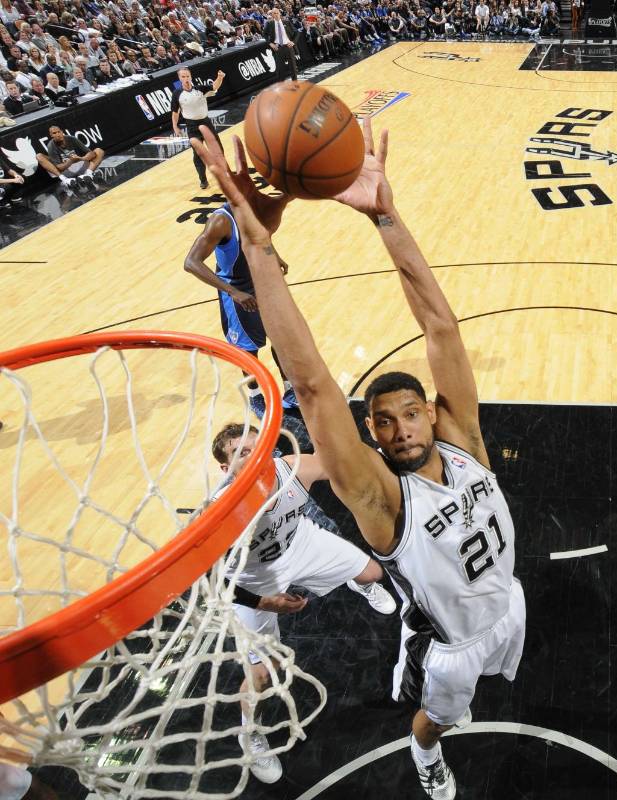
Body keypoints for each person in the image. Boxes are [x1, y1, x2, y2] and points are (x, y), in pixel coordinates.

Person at [193, 118, 525, 800]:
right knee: (439, 718)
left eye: (411, 412)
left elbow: (440, 325)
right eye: (382, 422)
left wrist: (386, 217)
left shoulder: (465, 445)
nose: (400, 427)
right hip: (449, 645)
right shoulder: (384, 502)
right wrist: (256, 244)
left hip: (508, 606)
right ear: (371, 438)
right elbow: (312, 385)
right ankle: (425, 755)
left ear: (432, 414)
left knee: (480, 651)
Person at [210, 423, 397, 784]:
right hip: (250, 581)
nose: (253, 456)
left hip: (301, 543)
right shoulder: (219, 515)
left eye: (256, 446)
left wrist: (384, 454)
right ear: (225, 470)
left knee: (372, 573)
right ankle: (250, 734)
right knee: (263, 673)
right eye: (241, 453)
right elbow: (213, 581)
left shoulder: (292, 468)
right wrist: (262, 601)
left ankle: (352, 582)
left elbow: (344, 463)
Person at [183, 195, 301, 421]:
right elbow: (191, 262)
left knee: (281, 339)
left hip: (264, 285)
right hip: (238, 292)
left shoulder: (255, 210)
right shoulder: (221, 221)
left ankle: (290, 388)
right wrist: (232, 292)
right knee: (248, 350)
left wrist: (275, 255)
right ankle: (255, 395)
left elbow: (260, 236)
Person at [36, 125, 104, 190]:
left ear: (62, 132)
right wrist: (71, 161)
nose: (58, 134)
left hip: (81, 164)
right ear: (51, 135)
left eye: (59, 132)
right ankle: (64, 180)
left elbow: (92, 153)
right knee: (39, 156)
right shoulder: (51, 146)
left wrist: (82, 158)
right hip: (67, 170)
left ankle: (88, 174)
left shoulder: (71, 138)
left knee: (99, 151)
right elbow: (59, 167)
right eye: (54, 133)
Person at [263, 8, 299, 81]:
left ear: (279, 13)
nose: (275, 14)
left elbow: (297, 32)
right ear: (272, 15)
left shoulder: (287, 22)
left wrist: (293, 42)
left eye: (277, 13)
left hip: (288, 46)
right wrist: (270, 43)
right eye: (274, 13)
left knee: (293, 67)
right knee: (280, 69)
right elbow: (264, 34)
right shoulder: (270, 24)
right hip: (278, 48)